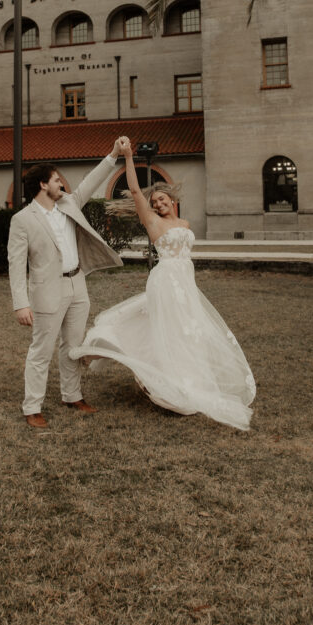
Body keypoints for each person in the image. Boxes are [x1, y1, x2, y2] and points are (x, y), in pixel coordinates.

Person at [70, 137, 256, 429]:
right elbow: (133, 189)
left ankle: (190, 379)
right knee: (169, 330)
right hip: (166, 280)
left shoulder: (185, 225)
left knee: (189, 331)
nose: (158, 203)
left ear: (172, 200)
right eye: (154, 201)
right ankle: (165, 382)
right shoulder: (153, 223)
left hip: (185, 282)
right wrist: (128, 156)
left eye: (161, 199)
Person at [7, 140, 125, 429]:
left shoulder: (69, 203)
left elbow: (92, 181)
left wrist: (112, 154)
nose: (62, 184)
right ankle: (32, 406)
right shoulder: (22, 220)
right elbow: (15, 263)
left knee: (72, 346)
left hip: (77, 285)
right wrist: (20, 303)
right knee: (41, 351)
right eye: (57, 180)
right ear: (42, 185)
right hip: (47, 292)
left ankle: (72, 396)